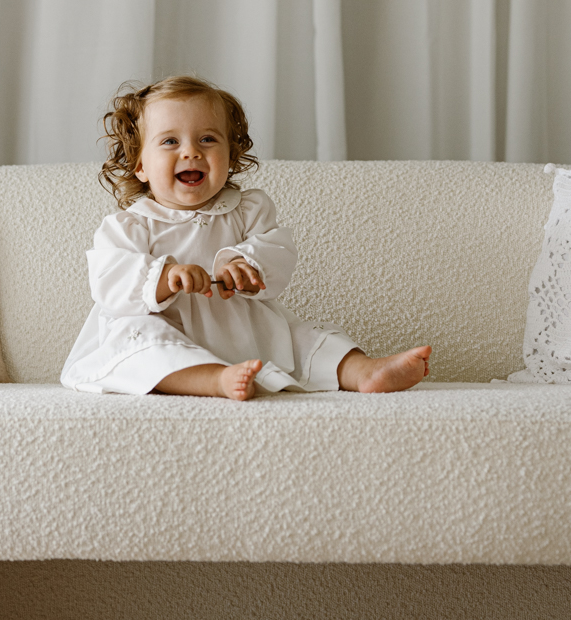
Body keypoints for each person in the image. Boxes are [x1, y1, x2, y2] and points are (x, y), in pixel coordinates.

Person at [61, 76, 431, 402]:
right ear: (140, 165)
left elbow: (278, 250)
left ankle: (364, 371)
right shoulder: (130, 225)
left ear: (230, 155)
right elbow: (109, 279)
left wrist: (246, 264)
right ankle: (213, 379)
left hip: (242, 327)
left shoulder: (247, 209)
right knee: (141, 343)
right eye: (170, 141)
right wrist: (164, 277)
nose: (191, 151)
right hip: (167, 325)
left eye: (208, 139)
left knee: (300, 337)